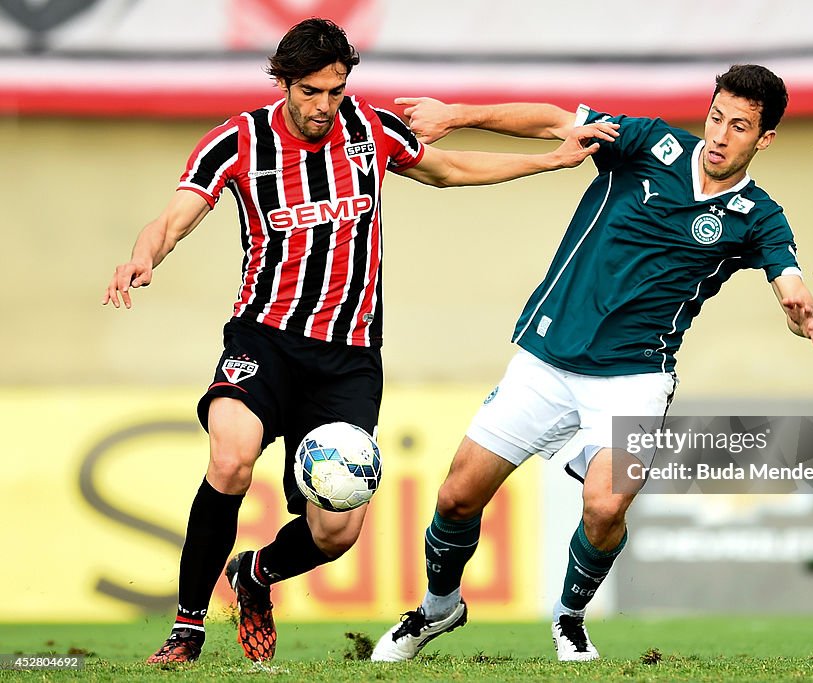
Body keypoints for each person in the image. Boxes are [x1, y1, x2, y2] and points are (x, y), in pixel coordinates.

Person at [101, 18, 616, 665]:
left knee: (335, 529)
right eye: (311, 91)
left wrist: (549, 158)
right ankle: (187, 628)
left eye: (336, 91)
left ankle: (255, 577)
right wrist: (142, 256)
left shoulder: (368, 130)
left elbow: (448, 169)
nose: (324, 105)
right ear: (284, 82)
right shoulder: (237, 141)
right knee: (231, 458)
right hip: (265, 337)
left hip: (348, 358)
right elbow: (172, 217)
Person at [371, 64, 813, 663]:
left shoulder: (758, 215)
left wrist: (796, 297)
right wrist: (456, 115)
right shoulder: (650, 143)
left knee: (607, 505)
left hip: (636, 375)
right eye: (716, 117)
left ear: (763, 139)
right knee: (457, 497)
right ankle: (438, 608)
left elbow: (786, 270)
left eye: (738, 127)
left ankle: (570, 616)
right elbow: (555, 122)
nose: (719, 135)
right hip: (549, 358)